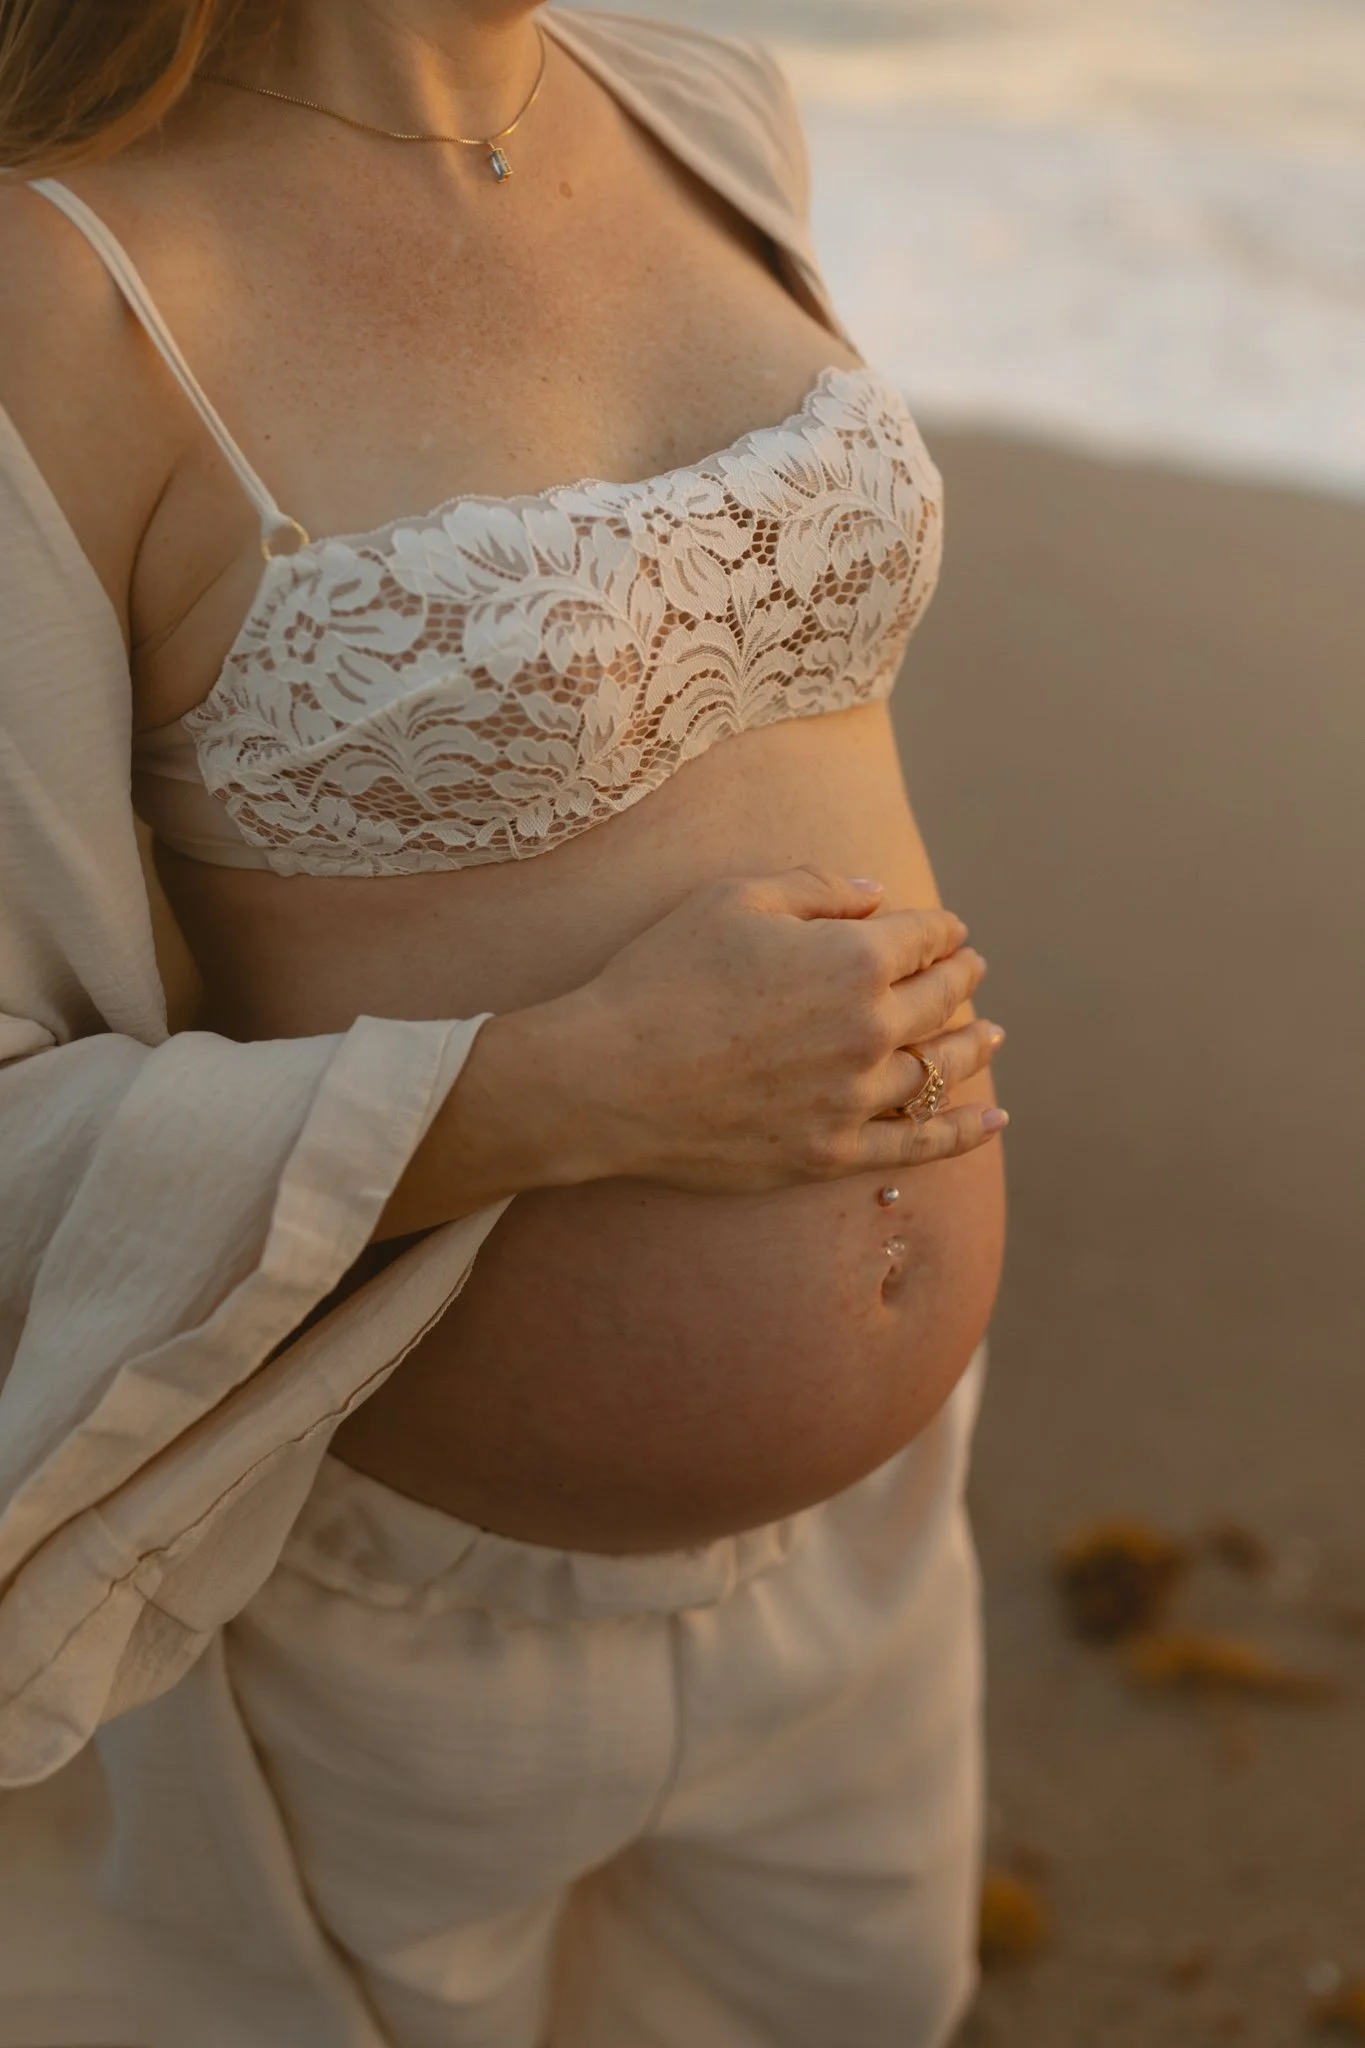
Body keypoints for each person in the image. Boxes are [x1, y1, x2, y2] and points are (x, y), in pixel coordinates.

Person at [0, 2, 1008, 2041]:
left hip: (877, 1553)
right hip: (378, 1616)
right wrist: (576, 1085)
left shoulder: (703, 96)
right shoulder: (66, 284)